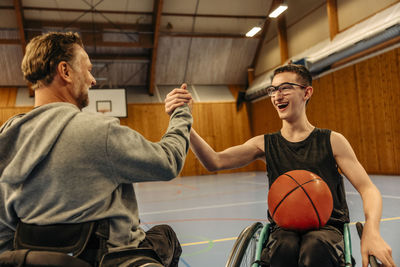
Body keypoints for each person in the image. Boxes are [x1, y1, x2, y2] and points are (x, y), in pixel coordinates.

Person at [164, 64, 395, 267]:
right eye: (273, 90)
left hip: (327, 229)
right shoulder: (264, 144)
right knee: (283, 247)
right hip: (283, 230)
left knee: (315, 247)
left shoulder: (332, 140)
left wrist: (371, 232)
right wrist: (184, 122)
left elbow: (368, 189)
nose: (277, 95)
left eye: (285, 88)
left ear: (307, 92)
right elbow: (214, 161)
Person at [0, 32, 192, 267]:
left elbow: (3, 229)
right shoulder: (99, 132)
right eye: (88, 69)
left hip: (32, 259)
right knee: (165, 236)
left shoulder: (7, 137)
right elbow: (169, 161)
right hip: (113, 259)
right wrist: (181, 113)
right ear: (65, 71)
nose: (93, 80)